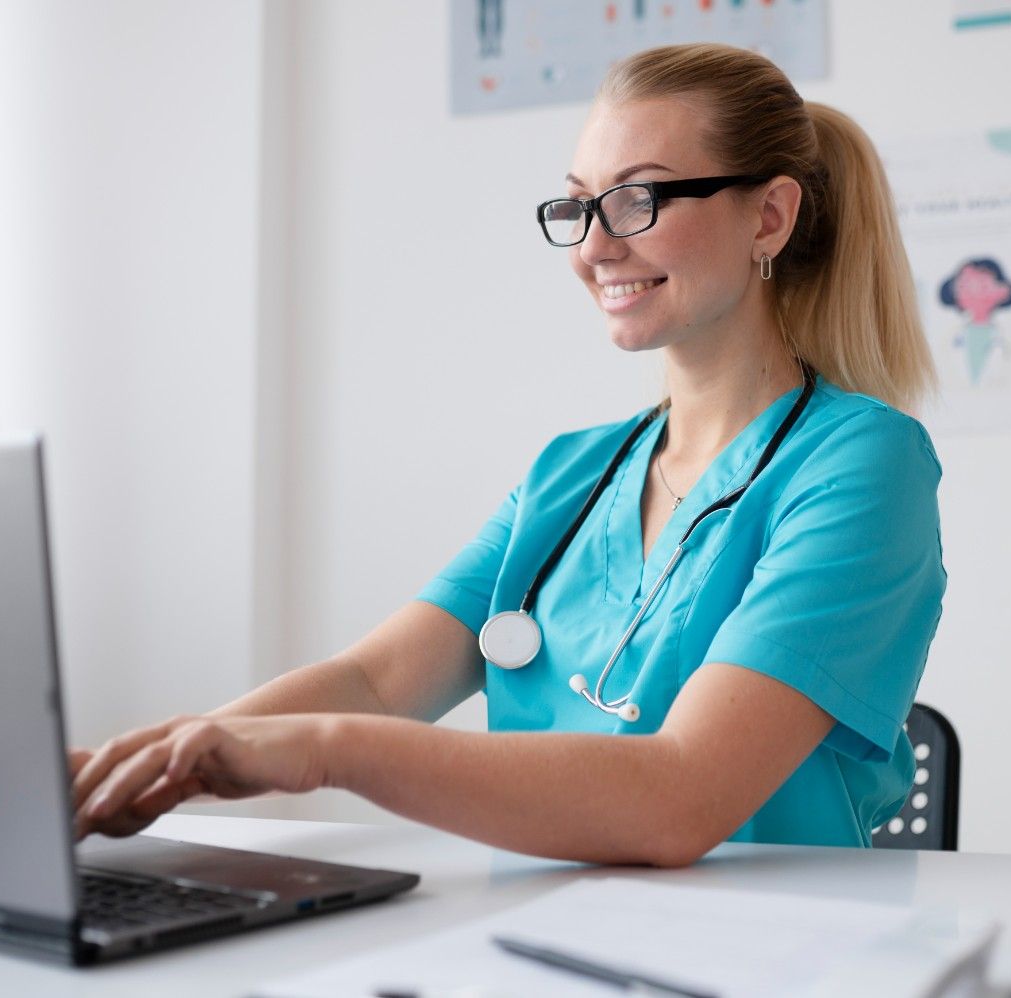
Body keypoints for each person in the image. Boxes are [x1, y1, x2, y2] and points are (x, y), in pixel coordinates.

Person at [70, 43, 945, 868]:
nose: (597, 247)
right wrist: (152, 762)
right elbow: (376, 682)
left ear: (770, 215)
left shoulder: (861, 464)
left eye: (638, 200)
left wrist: (321, 752)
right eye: (579, 206)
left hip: (771, 958)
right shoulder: (570, 476)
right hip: (528, 943)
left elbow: (680, 795)